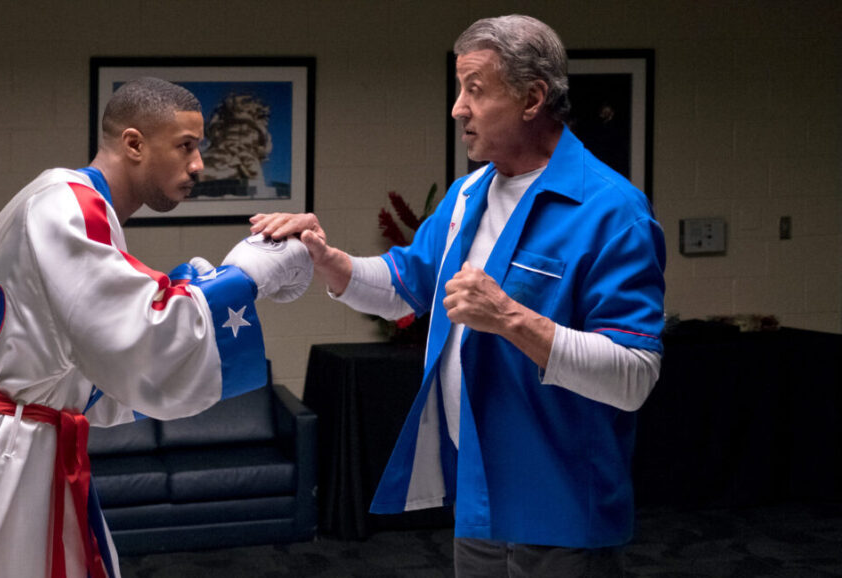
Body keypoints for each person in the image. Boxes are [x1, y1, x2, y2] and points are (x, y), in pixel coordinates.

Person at [252, 15, 666, 577]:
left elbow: (635, 376)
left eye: (475, 88)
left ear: (532, 97)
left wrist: (511, 319)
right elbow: (406, 288)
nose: (457, 108)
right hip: (478, 498)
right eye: (459, 88)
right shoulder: (468, 193)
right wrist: (330, 261)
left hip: (563, 508)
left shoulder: (614, 212)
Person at [0, 77, 312, 578]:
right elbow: (142, 334)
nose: (198, 164)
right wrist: (247, 277)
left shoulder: (61, 199)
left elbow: (94, 350)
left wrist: (204, 286)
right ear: (134, 143)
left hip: (5, 437)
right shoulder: (71, 205)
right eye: (186, 146)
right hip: (1, 452)